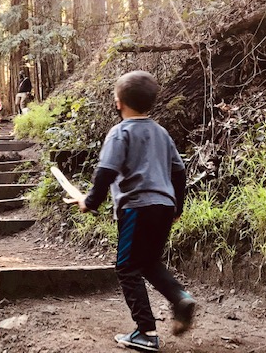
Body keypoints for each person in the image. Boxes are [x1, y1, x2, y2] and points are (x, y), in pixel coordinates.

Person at [77, 70, 195, 352]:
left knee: (127, 267)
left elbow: (105, 172)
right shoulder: (161, 133)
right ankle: (180, 298)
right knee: (149, 262)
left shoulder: (120, 133)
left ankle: (146, 332)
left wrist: (90, 202)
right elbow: (179, 172)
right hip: (165, 206)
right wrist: (178, 205)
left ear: (118, 102)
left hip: (136, 209)